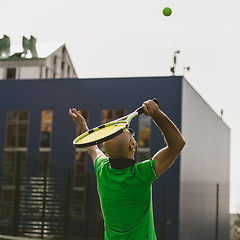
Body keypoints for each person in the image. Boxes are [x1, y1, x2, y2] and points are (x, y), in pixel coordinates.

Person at [69, 99, 185, 240]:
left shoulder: (102, 169)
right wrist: (156, 114)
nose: (131, 133)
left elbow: (93, 148)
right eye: (130, 133)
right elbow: (177, 144)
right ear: (132, 146)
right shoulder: (141, 175)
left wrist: (83, 126)